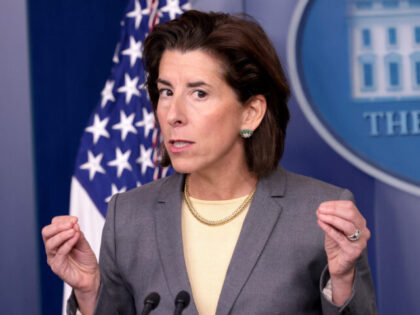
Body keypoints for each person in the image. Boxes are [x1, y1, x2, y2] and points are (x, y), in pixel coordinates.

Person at [42, 10, 377, 315]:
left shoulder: (319, 214)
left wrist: (343, 280)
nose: (173, 115)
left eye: (199, 93)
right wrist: (88, 293)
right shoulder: (127, 216)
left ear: (251, 112)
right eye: (166, 92)